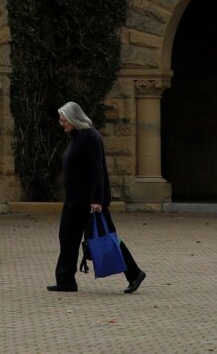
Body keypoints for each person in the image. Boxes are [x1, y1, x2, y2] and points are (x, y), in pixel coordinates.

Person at [49, 100, 145, 294]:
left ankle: (134, 274)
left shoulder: (90, 137)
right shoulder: (76, 137)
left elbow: (97, 170)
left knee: (107, 237)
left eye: (64, 120)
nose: (62, 124)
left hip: (88, 202)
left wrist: (97, 200)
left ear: (74, 118)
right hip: (73, 201)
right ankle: (65, 280)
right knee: (67, 238)